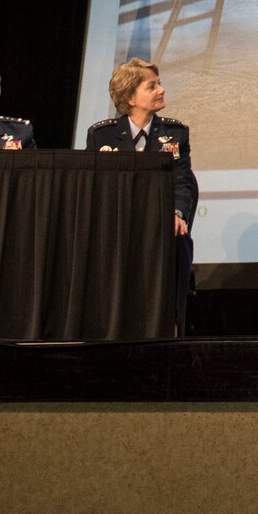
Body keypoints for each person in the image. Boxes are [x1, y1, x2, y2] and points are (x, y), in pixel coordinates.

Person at [88, 58, 197, 330]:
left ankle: (172, 322)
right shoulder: (102, 136)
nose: (161, 90)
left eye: (159, 84)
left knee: (180, 241)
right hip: (117, 228)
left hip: (161, 225)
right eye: (152, 86)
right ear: (130, 97)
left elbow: (183, 182)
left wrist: (176, 213)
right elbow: (95, 189)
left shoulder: (175, 133)